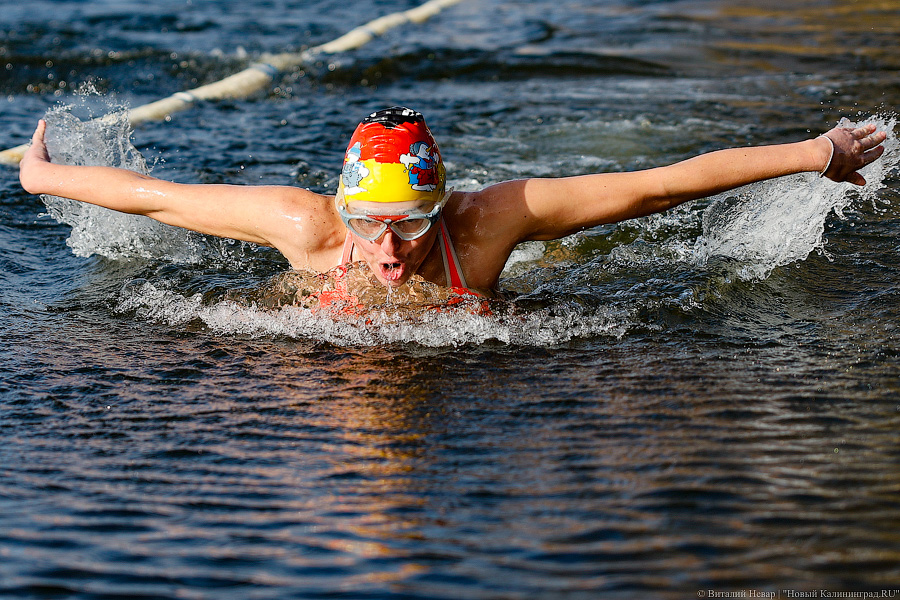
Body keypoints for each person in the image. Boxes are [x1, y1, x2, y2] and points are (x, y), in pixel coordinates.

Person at [18, 106, 887, 298]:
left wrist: (817, 154)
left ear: (446, 212)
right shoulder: (306, 227)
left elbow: (654, 186)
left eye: (414, 228)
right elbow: (157, 198)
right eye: (371, 227)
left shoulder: (490, 220)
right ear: (342, 211)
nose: (390, 251)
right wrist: (41, 178)